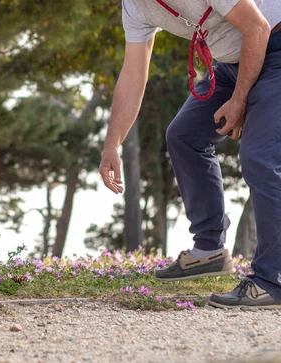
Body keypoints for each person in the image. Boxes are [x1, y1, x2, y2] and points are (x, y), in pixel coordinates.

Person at [100, 0, 281, 309]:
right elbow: (133, 75)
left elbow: (257, 28)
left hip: (274, 46)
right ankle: (209, 250)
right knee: (184, 136)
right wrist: (112, 144)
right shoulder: (134, 6)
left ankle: (273, 279)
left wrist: (240, 102)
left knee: (260, 155)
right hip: (235, 61)